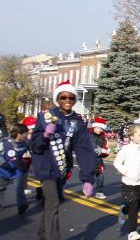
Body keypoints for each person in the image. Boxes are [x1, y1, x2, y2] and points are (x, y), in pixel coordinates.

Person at [31, 80, 96, 240]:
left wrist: (87, 178)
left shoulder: (78, 122)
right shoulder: (45, 117)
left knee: (53, 203)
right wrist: (44, 135)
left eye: (71, 98)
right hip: (46, 168)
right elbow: (35, 146)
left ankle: (42, 235)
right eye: (63, 97)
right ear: (57, 99)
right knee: (53, 203)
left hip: (62, 168)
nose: (67, 101)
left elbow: (84, 150)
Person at [114, 124, 140, 240]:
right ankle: (132, 232)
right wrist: (125, 171)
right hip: (128, 183)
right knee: (134, 207)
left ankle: (124, 209)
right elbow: (117, 162)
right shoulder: (126, 149)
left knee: (137, 204)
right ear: (131, 136)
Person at [0, 123, 30, 213]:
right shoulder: (4, 143)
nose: (27, 135)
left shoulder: (26, 143)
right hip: (3, 170)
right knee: (1, 188)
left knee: (19, 188)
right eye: (26, 133)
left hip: (17, 170)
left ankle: (22, 205)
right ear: (19, 133)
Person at [89, 117, 110, 199]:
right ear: (94, 127)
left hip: (98, 160)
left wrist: (102, 150)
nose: (99, 130)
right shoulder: (87, 135)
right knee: (90, 176)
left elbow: (108, 150)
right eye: (98, 128)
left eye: (101, 128)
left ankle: (99, 192)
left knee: (100, 176)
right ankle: (87, 186)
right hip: (88, 159)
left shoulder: (104, 138)